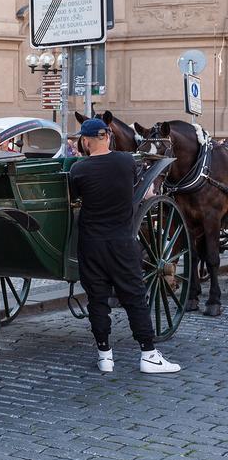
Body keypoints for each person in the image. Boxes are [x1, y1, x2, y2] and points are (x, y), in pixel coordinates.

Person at [69, 118, 180, 374]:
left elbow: (76, 198)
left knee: (97, 301)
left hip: (91, 244)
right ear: (107, 136)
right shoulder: (126, 162)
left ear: (85, 142)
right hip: (121, 241)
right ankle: (149, 355)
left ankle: (105, 356)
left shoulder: (78, 170)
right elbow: (138, 191)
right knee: (134, 298)